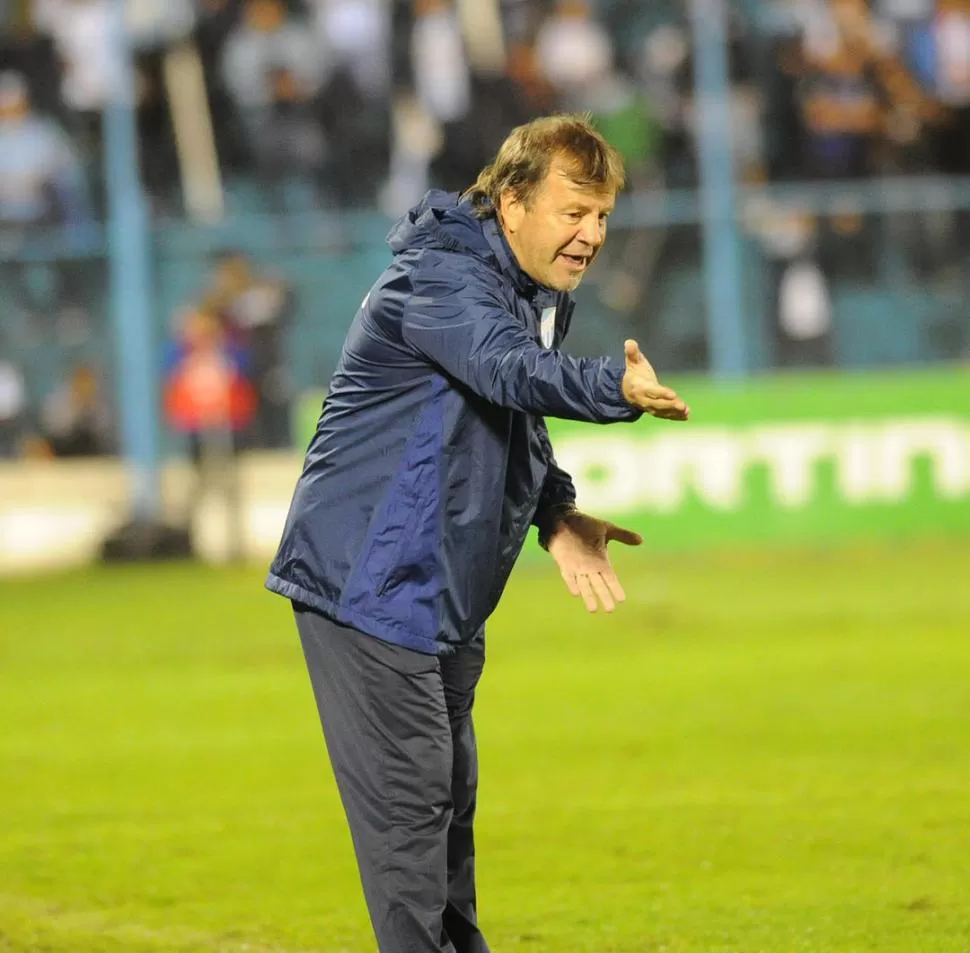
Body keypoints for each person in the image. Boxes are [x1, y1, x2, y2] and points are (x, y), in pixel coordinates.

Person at [265, 114, 689, 953]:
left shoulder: (530, 296)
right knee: (412, 798)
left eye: (603, 215)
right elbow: (510, 370)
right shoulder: (443, 280)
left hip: (442, 587)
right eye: (575, 211)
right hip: (369, 578)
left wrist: (558, 513)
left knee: (448, 795)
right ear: (511, 202)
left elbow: (514, 418)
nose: (592, 234)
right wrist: (612, 385)